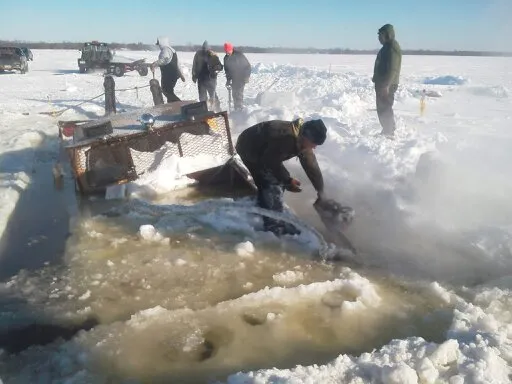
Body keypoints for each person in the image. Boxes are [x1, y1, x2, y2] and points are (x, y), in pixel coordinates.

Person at [235, 118, 327, 236]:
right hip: (249, 148)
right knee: (271, 184)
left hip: (267, 151)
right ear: (304, 136)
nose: (314, 147)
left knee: (277, 181)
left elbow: (311, 167)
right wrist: (287, 180)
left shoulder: (302, 139)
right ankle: (273, 224)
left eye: (316, 144)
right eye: (313, 143)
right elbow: (270, 161)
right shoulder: (284, 138)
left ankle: (272, 206)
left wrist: (321, 191)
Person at [372, 24, 402, 137]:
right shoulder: (387, 47)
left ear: (387, 35)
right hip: (383, 83)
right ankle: (387, 129)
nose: (379, 38)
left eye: (381, 35)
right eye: (379, 35)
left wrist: (386, 85)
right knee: (382, 107)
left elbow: (393, 68)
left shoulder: (392, 47)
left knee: (385, 107)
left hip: (387, 84)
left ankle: (389, 132)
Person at [150, 36, 185, 103]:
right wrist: (181, 74)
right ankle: (171, 105)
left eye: (159, 44)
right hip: (173, 74)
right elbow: (177, 63)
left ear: (162, 43)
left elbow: (164, 60)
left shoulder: (165, 50)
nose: (158, 45)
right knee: (169, 90)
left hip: (168, 75)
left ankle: (179, 104)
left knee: (166, 91)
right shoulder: (172, 50)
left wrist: (154, 64)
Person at [192, 41, 223, 108]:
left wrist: (217, 67)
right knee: (202, 97)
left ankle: (218, 109)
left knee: (213, 95)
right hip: (201, 78)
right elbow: (195, 65)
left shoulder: (212, 55)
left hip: (210, 79)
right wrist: (194, 75)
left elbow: (220, 66)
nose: (205, 50)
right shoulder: (198, 54)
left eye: (206, 49)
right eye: (204, 48)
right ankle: (204, 110)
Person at [223, 42, 251, 111]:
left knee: (238, 94)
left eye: (228, 51)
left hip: (241, 77)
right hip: (234, 78)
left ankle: (240, 109)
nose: (227, 53)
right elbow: (227, 70)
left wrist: (246, 76)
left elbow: (247, 66)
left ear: (231, 49)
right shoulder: (226, 58)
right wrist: (228, 80)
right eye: (226, 51)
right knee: (234, 94)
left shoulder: (239, 55)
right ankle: (236, 109)